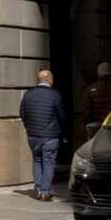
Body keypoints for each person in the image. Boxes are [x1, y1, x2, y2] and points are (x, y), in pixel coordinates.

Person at [19, 68, 67, 201]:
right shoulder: (55, 95)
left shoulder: (28, 94)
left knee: (37, 160)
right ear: (50, 79)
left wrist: (29, 128)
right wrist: (63, 131)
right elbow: (61, 116)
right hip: (50, 136)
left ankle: (38, 188)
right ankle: (45, 191)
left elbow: (22, 113)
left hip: (33, 136)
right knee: (49, 162)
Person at [78, 62, 111, 148]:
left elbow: (87, 110)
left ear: (98, 73)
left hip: (98, 125)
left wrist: (83, 124)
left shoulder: (90, 89)